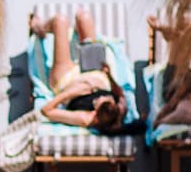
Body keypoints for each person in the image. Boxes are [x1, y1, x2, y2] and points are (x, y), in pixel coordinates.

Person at [27, 8, 130, 136]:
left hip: (67, 79)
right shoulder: (118, 109)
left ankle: (38, 27)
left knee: (60, 21)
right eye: (106, 97)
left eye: (98, 102)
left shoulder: (86, 118)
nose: (100, 96)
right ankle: (78, 34)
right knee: (84, 17)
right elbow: (120, 94)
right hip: (96, 71)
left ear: (96, 114)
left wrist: (72, 92)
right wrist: (108, 75)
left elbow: (46, 111)